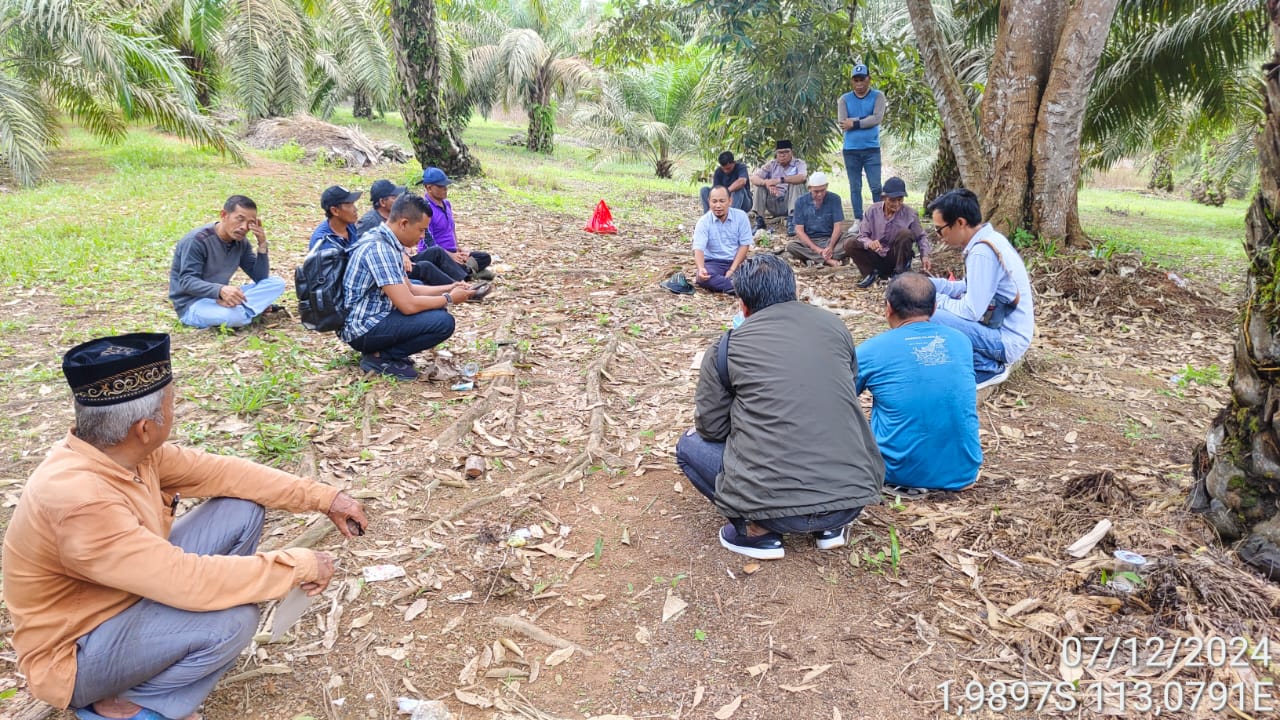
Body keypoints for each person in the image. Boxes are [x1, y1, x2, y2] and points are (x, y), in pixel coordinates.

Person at [2, 332, 369, 720]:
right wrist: (296, 565)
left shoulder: (124, 454)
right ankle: (128, 702)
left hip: (128, 593)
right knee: (232, 623)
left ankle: (165, 651)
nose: (174, 411)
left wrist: (324, 498)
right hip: (77, 651)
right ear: (144, 427)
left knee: (239, 509)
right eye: (171, 403)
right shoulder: (79, 500)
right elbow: (185, 580)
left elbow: (224, 473)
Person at [675, 255, 884, 560]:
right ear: (793, 292)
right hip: (851, 500)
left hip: (775, 509)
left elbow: (712, 427)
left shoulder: (727, 347)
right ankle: (829, 528)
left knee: (689, 445)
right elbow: (846, 388)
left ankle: (758, 532)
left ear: (742, 305)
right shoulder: (835, 327)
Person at [856, 273, 982, 492]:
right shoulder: (960, 341)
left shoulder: (871, 350)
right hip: (963, 472)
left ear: (888, 308)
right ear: (934, 308)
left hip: (895, 472)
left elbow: (840, 399)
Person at [341, 193, 475, 380]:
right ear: (403, 223)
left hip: (375, 313)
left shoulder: (386, 239)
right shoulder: (380, 249)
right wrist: (450, 298)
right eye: (421, 230)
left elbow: (411, 288)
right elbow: (408, 304)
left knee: (434, 304)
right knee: (443, 323)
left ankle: (386, 351)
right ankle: (380, 357)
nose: (422, 237)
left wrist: (450, 287)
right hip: (363, 327)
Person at [926, 188, 1035, 388]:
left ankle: (985, 367)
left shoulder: (982, 253)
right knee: (926, 302)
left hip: (1006, 340)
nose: (939, 236)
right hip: (1002, 330)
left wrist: (932, 300)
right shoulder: (990, 240)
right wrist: (928, 285)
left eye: (940, 229)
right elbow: (965, 287)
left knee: (926, 313)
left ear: (960, 222)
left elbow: (971, 311)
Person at [168, 195, 285, 329]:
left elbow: (260, 278)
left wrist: (262, 244)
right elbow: (187, 281)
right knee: (235, 317)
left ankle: (245, 309)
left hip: (223, 299)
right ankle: (250, 310)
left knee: (276, 283)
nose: (244, 227)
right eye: (239, 219)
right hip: (193, 304)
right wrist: (220, 290)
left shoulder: (241, 242)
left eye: (250, 223)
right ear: (224, 215)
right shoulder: (197, 240)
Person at [845, 177, 932, 288]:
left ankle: (899, 273)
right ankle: (870, 274)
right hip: (876, 256)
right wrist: (870, 243)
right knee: (850, 243)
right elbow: (862, 236)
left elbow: (921, 237)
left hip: (895, 257)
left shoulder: (910, 214)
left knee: (905, 233)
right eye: (892, 200)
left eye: (900, 199)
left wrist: (925, 256)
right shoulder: (872, 211)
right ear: (884, 198)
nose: (896, 204)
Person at [419, 167, 494, 282]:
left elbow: (451, 228)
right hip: (438, 255)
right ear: (429, 188)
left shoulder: (446, 204)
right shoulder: (425, 209)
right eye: (441, 186)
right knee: (439, 265)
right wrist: (450, 256)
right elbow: (429, 242)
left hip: (452, 251)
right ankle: (467, 272)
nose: (445, 189)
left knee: (484, 257)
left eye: (446, 186)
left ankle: (465, 271)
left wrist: (458, 249)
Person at [838, 63, 885, 222]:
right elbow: (843, 123)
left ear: (869, 79)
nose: (859, 84)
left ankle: (879, 219)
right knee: (855, 187)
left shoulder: (878, 96)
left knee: (876, 186)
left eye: (862, 80)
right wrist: (867, 119)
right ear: (852, 81)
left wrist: (856, 123)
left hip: (872, 149)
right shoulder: (844, 99)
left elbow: (877, 118)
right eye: (856, 80)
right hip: (851, 150)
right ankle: (858, 219)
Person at [691, 186, 753, 294]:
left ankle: (735, 286)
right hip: (713, 263)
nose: (718, 205)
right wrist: (701, 268)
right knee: (703, 278)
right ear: (709, 202)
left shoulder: (741, 217)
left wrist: (732, 270)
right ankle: (741, 287)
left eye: (722, 201)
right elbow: (698, 248)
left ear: (730, 201)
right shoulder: (703, 221)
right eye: (714, 201)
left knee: (759, 272)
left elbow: (744, 245)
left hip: (737, 262)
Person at [785, 172, 848, 268]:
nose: (820, 194)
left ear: (827, 186)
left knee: (854, 240)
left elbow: (838, 227)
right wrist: (818, 250)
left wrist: (830, 247)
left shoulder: (835, 199)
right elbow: (799, 230)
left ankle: (815, 258)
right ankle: (827, 260)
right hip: (810, 241)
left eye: (823, 190)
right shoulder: (800, 202)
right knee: (791, 246)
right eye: (816, 191)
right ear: (809, 188)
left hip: (831, 240)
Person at [749, 140, 808, 233]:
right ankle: (759, 221)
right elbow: (753, 178)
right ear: (776, 153)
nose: (783, 155)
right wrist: (767, 183)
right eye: (780, 152)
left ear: (791, 152)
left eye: (786, 152)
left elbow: (802, 177)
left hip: (790, 202)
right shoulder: (771, 164)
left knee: (796, 183)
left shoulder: (798, 163)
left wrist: (780, 180)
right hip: (773, 201)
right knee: (759, 185)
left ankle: (793, 221)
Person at [308, 184, 362, 252]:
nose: (355, 209)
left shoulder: (349, 226)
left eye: (353, 204)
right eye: (349, 205)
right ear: (335, 211)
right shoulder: (324, 243)